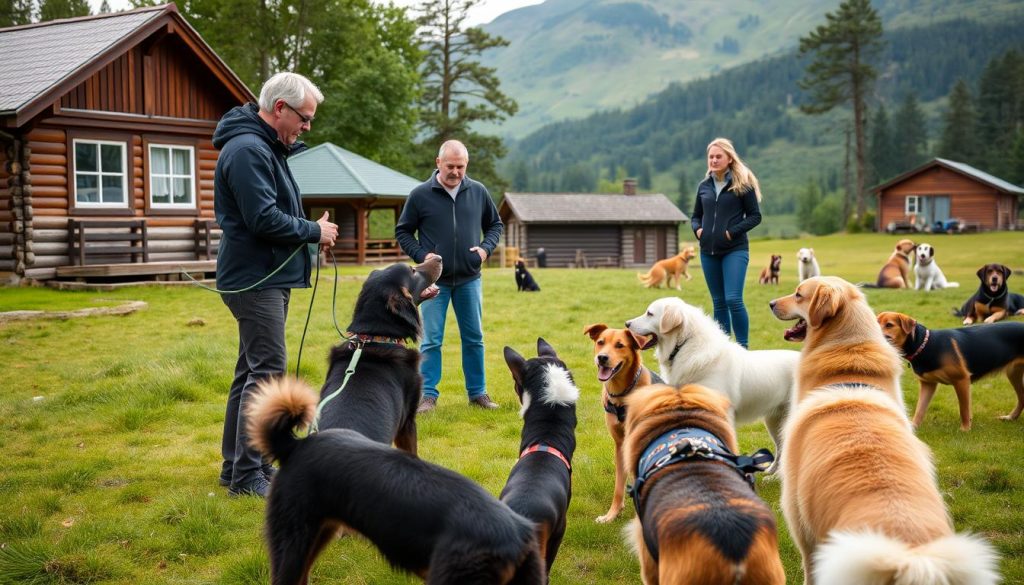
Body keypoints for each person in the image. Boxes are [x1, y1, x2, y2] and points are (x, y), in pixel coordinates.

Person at [213, 72, 338, 497]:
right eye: (304, 118)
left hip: (260, 275)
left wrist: (308, 230)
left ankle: (239, 468)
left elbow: (270, 212)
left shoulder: (264, 146)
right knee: (266, 373)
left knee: (250, 371)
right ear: (279, 108)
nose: (307, 128)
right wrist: (312, 232)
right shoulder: (248, 149)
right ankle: (248, 476)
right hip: (255, 279)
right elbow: (262, 218)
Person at [395, 140, 504, 412]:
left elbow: (495, 224)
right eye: (450, 166)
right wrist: (422, 256)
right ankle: (428, 396)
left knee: (474, 338)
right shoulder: (420, 194)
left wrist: (485, 250)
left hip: (469, 278)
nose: (455, 172)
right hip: (433, 283)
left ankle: (478, 394)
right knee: (431, 339)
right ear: (438, 163)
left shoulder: (477, 191)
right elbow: (403, 232)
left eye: (461, 166)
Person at [691, 137, 762, 348]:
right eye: (710, 157)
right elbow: (695, 216)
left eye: (718, 156)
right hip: (708, 252)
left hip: (735, 250)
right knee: (719, 303)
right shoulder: (704, 186)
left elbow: (754, 216)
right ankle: (722, 349)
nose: (713, 160)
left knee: (733, 299)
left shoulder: (743, 185)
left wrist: (731, 233)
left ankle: (742, 348)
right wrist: (698, 230)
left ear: (729, 158)